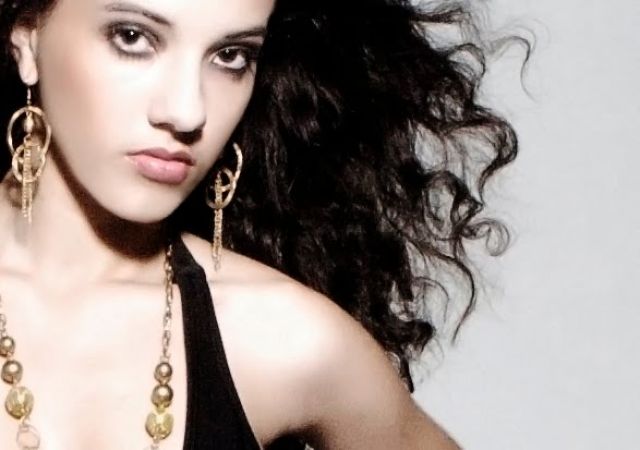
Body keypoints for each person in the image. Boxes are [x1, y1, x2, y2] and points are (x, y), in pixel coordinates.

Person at [0, 0, 517, 449]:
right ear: (27, 37)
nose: (187, 111)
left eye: (231, 56)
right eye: (133, 37)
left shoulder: (281, 339)